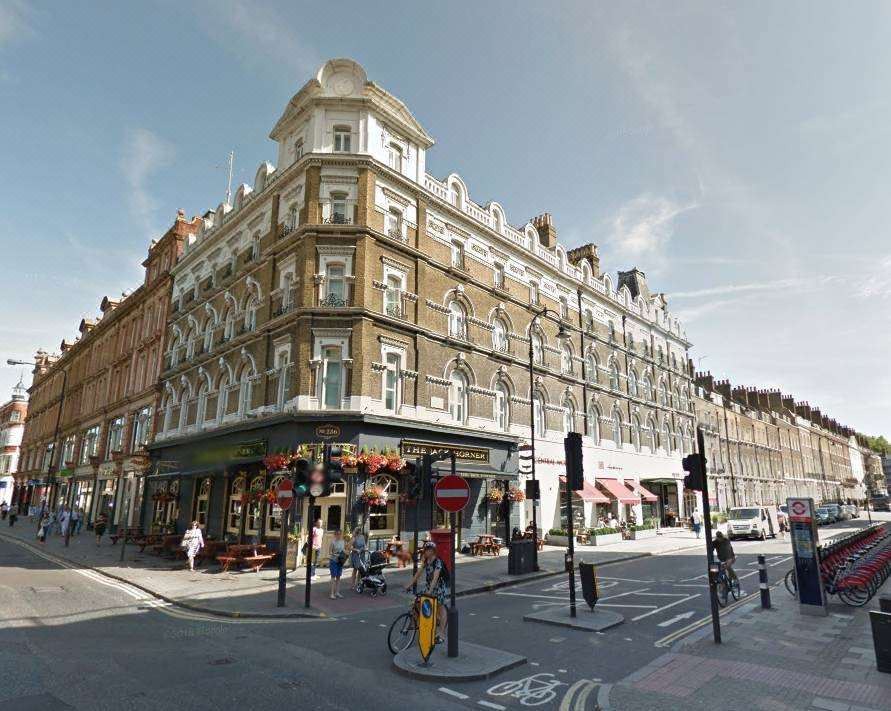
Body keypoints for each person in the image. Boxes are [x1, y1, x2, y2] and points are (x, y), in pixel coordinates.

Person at [405, 541, 450, 643]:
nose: (425, 552)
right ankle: (414, 623)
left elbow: (435, 577)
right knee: (416, 602)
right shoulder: (426, 561)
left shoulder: (437, 562)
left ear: (433, 551)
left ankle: (442, 633)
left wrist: (429, 591)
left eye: (427, 550)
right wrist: (410, 584)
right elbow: (418, 574)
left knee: (441, 607)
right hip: (429, 587)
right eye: (425, 550)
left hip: (439, 588)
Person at [328, 530, 347, 599]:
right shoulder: (333, 542)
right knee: (333, 577)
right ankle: (332, 593)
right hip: (334, 561)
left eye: (340, 534)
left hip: (340, 561)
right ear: (335, 535)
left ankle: (337, 592)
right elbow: (330, 552)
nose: (339, 535)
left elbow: (344, 550)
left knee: (338, 577)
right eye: (337, 534)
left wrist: (345, 554)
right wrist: (336, 554)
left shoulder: (343, 542)